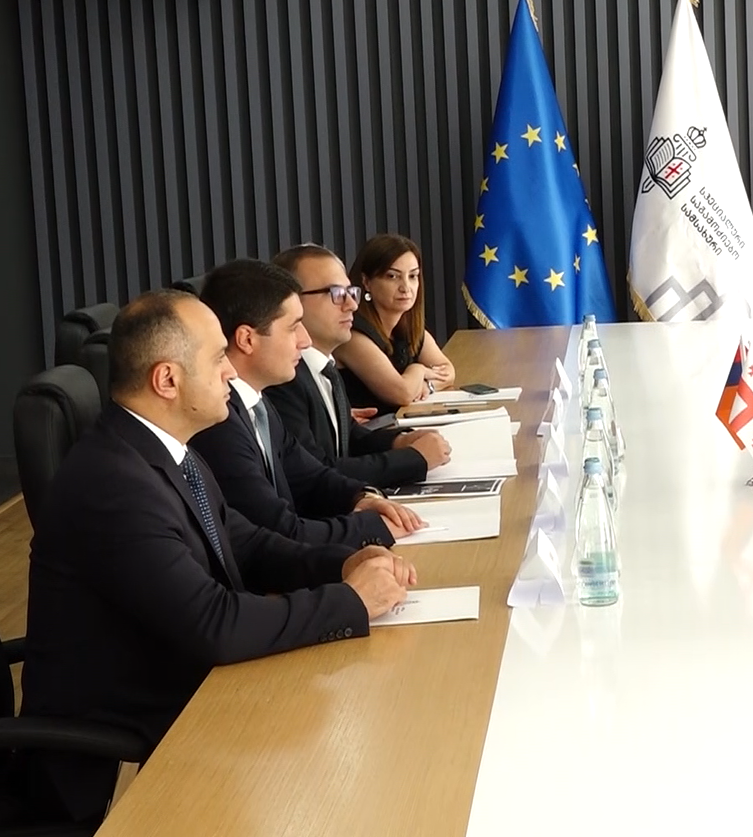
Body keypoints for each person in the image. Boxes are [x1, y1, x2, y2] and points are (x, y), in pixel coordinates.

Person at [19, 290, 416, 823]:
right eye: (216, 358)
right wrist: (350, 601)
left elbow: (247, 542)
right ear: (167, 380)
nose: (231, 369)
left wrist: (342, 562)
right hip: (118, 754)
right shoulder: (113, 483)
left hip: (186, 691)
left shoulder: (165, 450)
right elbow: (214, 624)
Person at [191, 260, 423, 548]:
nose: (304, 340)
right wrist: (370, 528)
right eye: (293, 328)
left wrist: (362, 497)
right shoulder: (220, 425)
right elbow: (279, 531)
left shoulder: (257, 402)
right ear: (247, 339)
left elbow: (310, 477)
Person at [268, 244, 451, 487]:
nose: (352, 305)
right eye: (336, 293)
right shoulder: (283, 379)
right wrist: (414, 459)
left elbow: (349, 436)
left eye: (350, 292)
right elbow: (317, 472)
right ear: (291, 302)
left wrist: (399, 441)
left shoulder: (324, 366)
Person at [334, 233, 456, 412]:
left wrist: (426, 386)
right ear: (366, 282)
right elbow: (402, 393)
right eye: (392, 276)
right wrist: (418, 370)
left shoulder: (408, 328)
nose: (405, 287)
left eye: (413, 276)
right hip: (369, 428)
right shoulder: (352, 334)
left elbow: (448, 371)